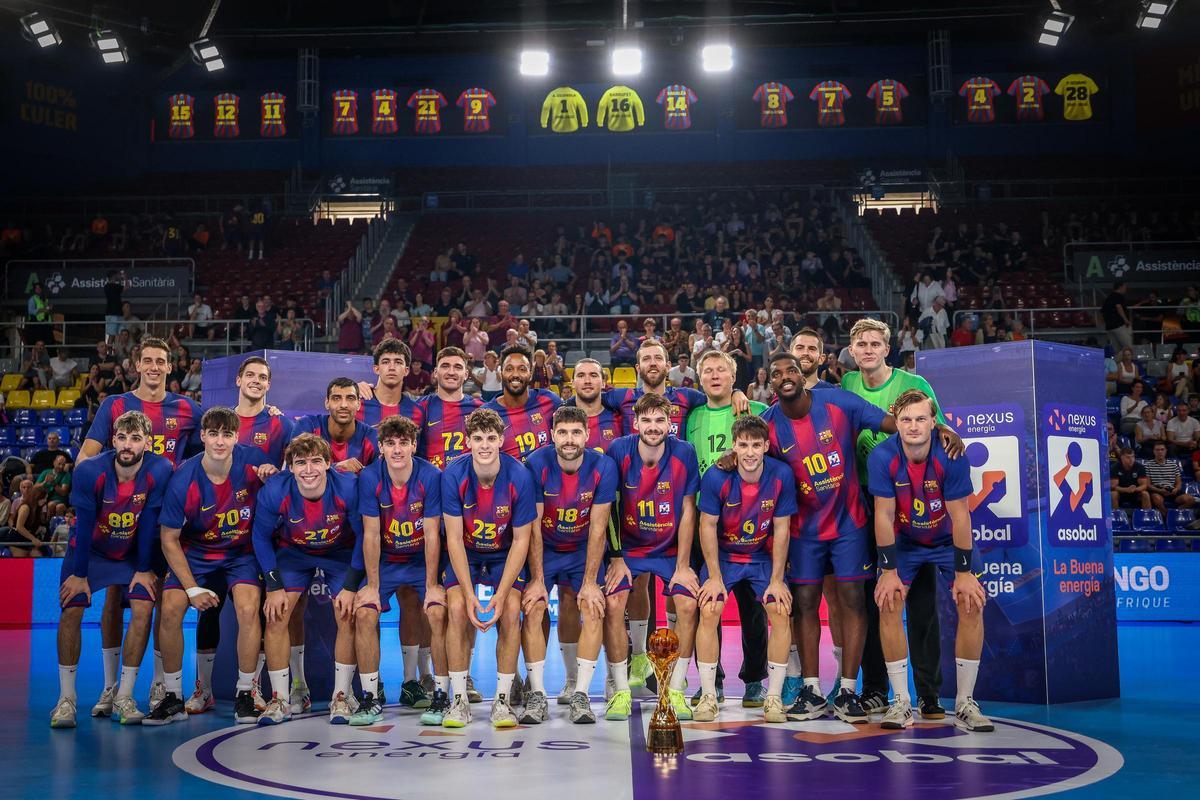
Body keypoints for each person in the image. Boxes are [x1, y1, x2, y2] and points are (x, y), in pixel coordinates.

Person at [837, 318, 956, 719]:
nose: (868, 349)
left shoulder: (913, 384)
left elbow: (935, 424)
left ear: (887, 348)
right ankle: (875, 689)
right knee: (875, 600)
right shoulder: (847, 387)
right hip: (864, 505)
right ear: (851, 352)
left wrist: (949, 430)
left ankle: (928, 693)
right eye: (861, 344)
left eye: (875, 343)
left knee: (921, 602)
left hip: (910, 503)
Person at [868, 389, 992, 732]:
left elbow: (961, 516)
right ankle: (901, 703)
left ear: (933, 422)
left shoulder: (951, 454)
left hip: (946, 539)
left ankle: (966, 702)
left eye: (921, 418)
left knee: (971, 603)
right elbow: (883, 513)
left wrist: (964, 572)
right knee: (889, 602)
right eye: (905, 419)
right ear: (896, 422)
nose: (913, 426)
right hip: (906, 540)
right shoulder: (883, 456)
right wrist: (889, 570)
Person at [150, 408, 277, 727]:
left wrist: (271, 474)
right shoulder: (183, 477)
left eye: (227, 434)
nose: (220, 441)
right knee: (170, 610)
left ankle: (246, 694)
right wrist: (191, 588)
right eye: (214, 434)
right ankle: (173, 697)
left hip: (240, 552)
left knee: (249, 610)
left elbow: (280, 493)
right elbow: (169, 539)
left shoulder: (253, 461)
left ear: (236, 437)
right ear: (203, 436)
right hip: (195, 552)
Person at [50, 411, 173, 728]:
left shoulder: (159, 468)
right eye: (122, 437)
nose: (128, 445)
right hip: (90, 553)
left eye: (135, 438)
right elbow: (84, 523)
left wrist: (144, 568)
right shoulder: (90, 470)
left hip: (131, 552)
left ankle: (125, 696)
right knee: (71, 610)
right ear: (112, 439)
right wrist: (79, 575)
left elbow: (148, 522)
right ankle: (66, 700)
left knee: (144, 605)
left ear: (148, 441)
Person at [602, 394, 702, 724]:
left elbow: (689, 511)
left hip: (670, 550)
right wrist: (616, 558)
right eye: (647, 421)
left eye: (660, 421)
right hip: (629, 549)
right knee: (615, 603)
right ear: (636, 424)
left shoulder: (684, 451)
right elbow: (611, 507)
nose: (654, 427)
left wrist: (684, 564)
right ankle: (619, 690)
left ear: (670, 424)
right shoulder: (619, 450)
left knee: (688, 605)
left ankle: (675, 689)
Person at [252, 434, 364, 725]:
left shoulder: (349, 488)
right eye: (301, 463)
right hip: (294, 553)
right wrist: (274, 585)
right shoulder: (275, 490)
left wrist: (351, 585)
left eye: (316, 461)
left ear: (329, 464)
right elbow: (261, 537)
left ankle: (342, 695)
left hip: (340, 552)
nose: (309, 469)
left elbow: (366, 536)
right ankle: (282, 698)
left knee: (347, 612)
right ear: (290, 467)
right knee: (276, 615)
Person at [693, 416, 796, 723]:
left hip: (761, 557)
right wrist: (713, 576)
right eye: (743, 445)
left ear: (766, 446)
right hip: (725, 556)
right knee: (709, 608)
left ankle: (774, 698)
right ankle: (709, 696)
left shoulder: (781, 475)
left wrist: (777, 580)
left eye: (756, 445)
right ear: (734, 447)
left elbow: (782, 529)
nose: (750, 452)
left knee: (779, 609)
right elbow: (707, 525)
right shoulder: (716, 476)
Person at [440, 409, 538, 728]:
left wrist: (501, 592)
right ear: (467, 442)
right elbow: (453, 538)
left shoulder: (519, 475)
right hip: (467, 551)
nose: (485, 445)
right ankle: (458, 700)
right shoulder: (453, 474)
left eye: (491, 439)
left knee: (510, 610)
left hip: (503, 553)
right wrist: (469, 595)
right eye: (478, 439)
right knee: (455, 608)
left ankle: (502, 700)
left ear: (501, 441)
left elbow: (522, 539)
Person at [351, 416, 447, 725]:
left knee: (435, 611)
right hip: (387, 560)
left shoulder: (430, 476)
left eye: (403, 443)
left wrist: (432, 584)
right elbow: (371, 533)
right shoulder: (369, 477)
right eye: (390, 444)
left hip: (420, 559)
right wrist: (373, 586)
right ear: (380, 447)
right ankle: (369, 696)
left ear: (413, 445)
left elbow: (433, 534)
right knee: (365, 612)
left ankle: (434, 691)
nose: (397, 449)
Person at [482, 346, 562, 463]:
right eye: (509, 369)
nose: (515, 374)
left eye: (522, 369)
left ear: (530, 374)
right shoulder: (486, 414)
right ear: (501, 372)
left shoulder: (549, 401)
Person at [288, 378, 379, 474]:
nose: (344, 405)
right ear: (327, 403)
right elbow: (295, 470)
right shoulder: (308, 426)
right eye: (336, 398)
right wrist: (338, 467)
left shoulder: (372, 437)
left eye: (350, 398)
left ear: (359, 404)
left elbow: (381, 477)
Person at [234, 357, 294, 466]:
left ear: (268, 386)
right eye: (250, 375)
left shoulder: (281, 424)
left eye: (262, 377)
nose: (256, 381)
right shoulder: (222, 420)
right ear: (239, 380)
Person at [356, 339, 425, 429]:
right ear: (376, 369)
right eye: (385, 362)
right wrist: (350, 390)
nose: (392, 367)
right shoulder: (356, 404)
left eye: (398, 362)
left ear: (406, 371)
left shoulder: (417, 412)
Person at [1146, 440, 1197, 514]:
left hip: (1172, 490)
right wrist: (1160, 490)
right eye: (1157, 450)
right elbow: (1148, 485)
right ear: (1153, 451)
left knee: (1191, 500)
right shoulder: (1148, 465)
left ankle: (1174, 514)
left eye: (1162, 449)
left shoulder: (1173, 465)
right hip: (1157, 490)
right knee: (1156, 498)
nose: (1160, 452)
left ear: (1166, 451)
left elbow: (1178, 482)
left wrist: (1176, 489)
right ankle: (1166, 515)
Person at [1102, 280, 1133, 354]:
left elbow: (1102, 312)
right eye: (1125, 287)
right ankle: (1127, 364)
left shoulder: (1108, 298)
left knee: (1117, 350)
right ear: (1120, 287)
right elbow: (1118, 307)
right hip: (1119, 326)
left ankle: (1117, 364)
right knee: (1128, 348)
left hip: (1110, 327)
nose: (1126, 289)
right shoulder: (1118, 296)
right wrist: (1125, 320)